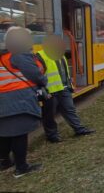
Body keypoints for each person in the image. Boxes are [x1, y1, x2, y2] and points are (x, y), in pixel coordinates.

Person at [0, 27, 46, 178]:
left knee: (5, 133)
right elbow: (36, 75)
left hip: (4, 101)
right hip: (17, 100)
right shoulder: (20, 55)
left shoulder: (4, 56)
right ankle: (21, 168)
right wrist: (43, 81)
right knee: (20, 134)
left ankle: (4, 162)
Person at [36, 35, 95, 143]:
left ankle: (79, 129)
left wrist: (69, 84)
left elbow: (64, 72)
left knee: (70, 110)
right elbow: (37, 76)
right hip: (50, 91)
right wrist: (44, 91)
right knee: (49, 115)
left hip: (64, 89)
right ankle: (52, 136)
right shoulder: (40, 56)